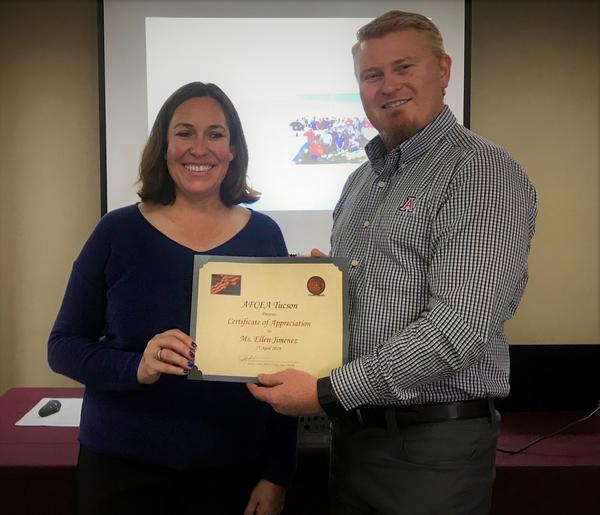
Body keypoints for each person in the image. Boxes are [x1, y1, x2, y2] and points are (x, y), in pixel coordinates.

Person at [248, 10, 537, 515]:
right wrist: (321, 287)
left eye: (404, 67)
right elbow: (378, 299)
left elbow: (459, 326)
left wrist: (329, 392)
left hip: (431, 449)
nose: (389, 86)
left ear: (443, 70)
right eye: (372, 74)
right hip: (356, 440)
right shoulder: (361, 181)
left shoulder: (480, 172)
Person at [48, 82, 297, 515]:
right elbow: (63, 346)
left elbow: (283, 365)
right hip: (121, 471)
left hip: (232, 471)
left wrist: (277, 472)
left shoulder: (264, 235)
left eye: (215, 134)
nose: (199, 148)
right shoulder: (116, 232)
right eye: (184, 132)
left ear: (233, 149)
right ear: (164, 146)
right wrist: (136, 366)